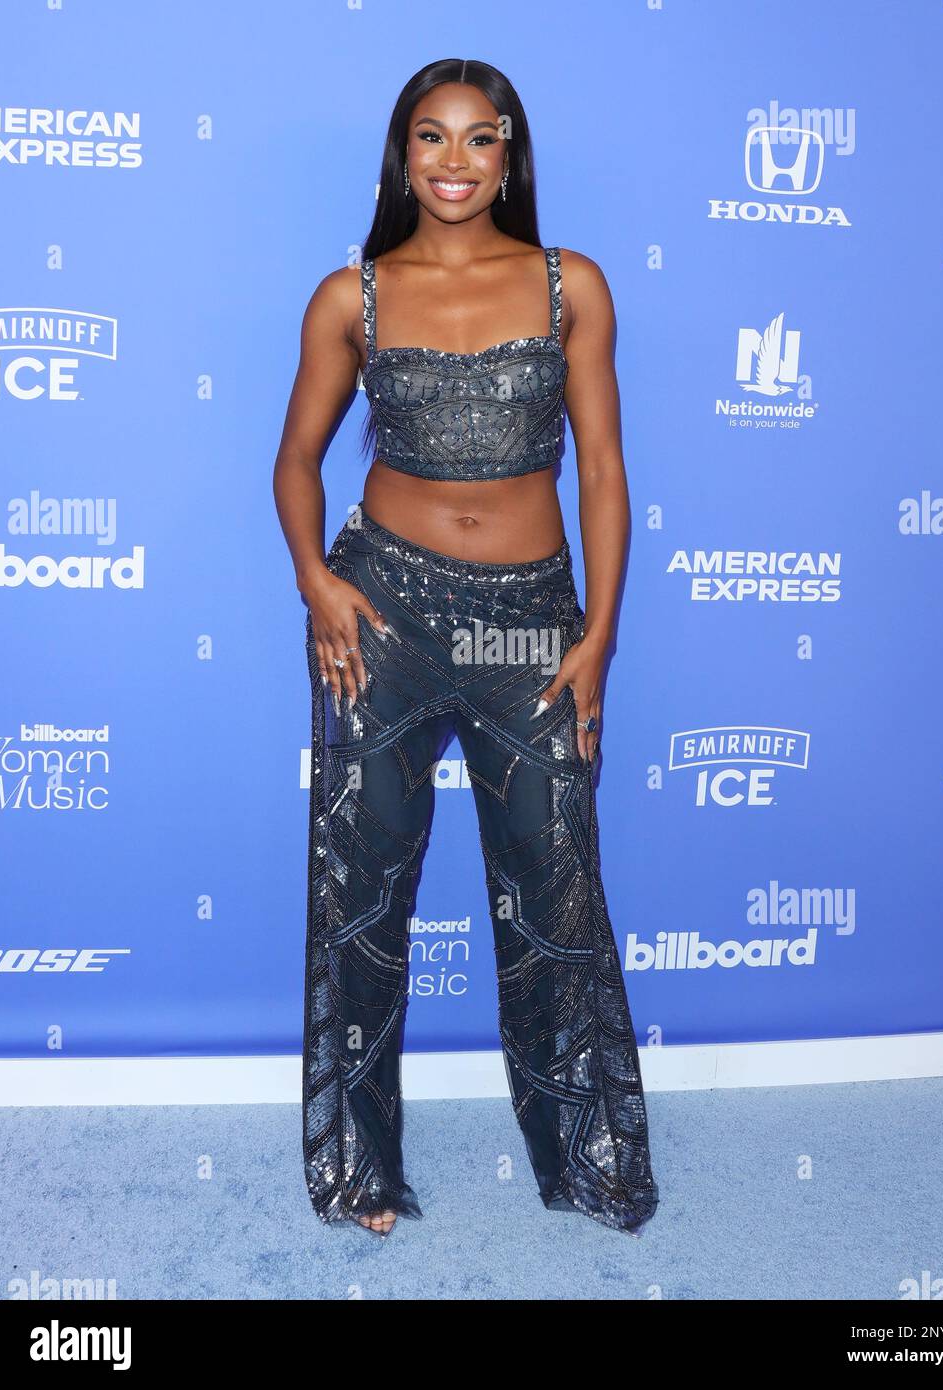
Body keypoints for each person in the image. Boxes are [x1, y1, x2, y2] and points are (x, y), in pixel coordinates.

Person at [273, 57, 658, 1239]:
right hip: (382, 610)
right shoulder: (355, 295)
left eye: (475, 140)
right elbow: (294, 462)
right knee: (361, 892)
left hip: (529, 621)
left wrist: (595, 634)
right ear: (403, 156)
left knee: (556, 888)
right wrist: (316, 583)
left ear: (507, 153)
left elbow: (599, 468)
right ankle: (359, 1170)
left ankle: (586, 1156)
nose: (451, 162)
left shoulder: (567, 285)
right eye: (428, 140)